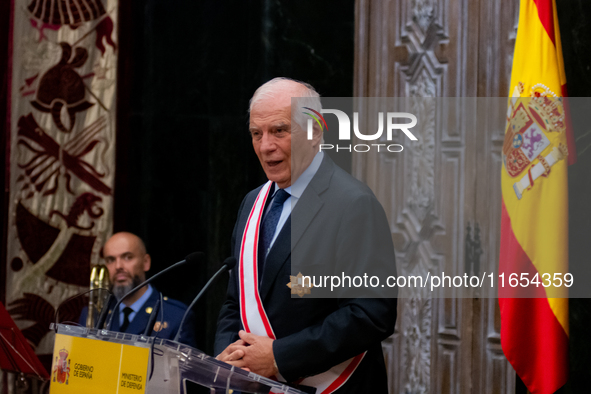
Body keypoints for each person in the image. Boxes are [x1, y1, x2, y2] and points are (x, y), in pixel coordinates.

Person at [214, 78, 397, 393]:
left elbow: (371, 313)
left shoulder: (353, 203)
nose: (265, 146)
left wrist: (280, 357)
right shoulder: (252, 203)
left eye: (279, 131)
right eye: (256, 134)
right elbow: (235, 300)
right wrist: (230, 356)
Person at [79, 232, 196, 347]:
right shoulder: (92, 314)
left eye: (127, 257)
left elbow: (182, 365)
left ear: (146, 262)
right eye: (110, 260)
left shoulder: (176, 316)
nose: (118, 266)